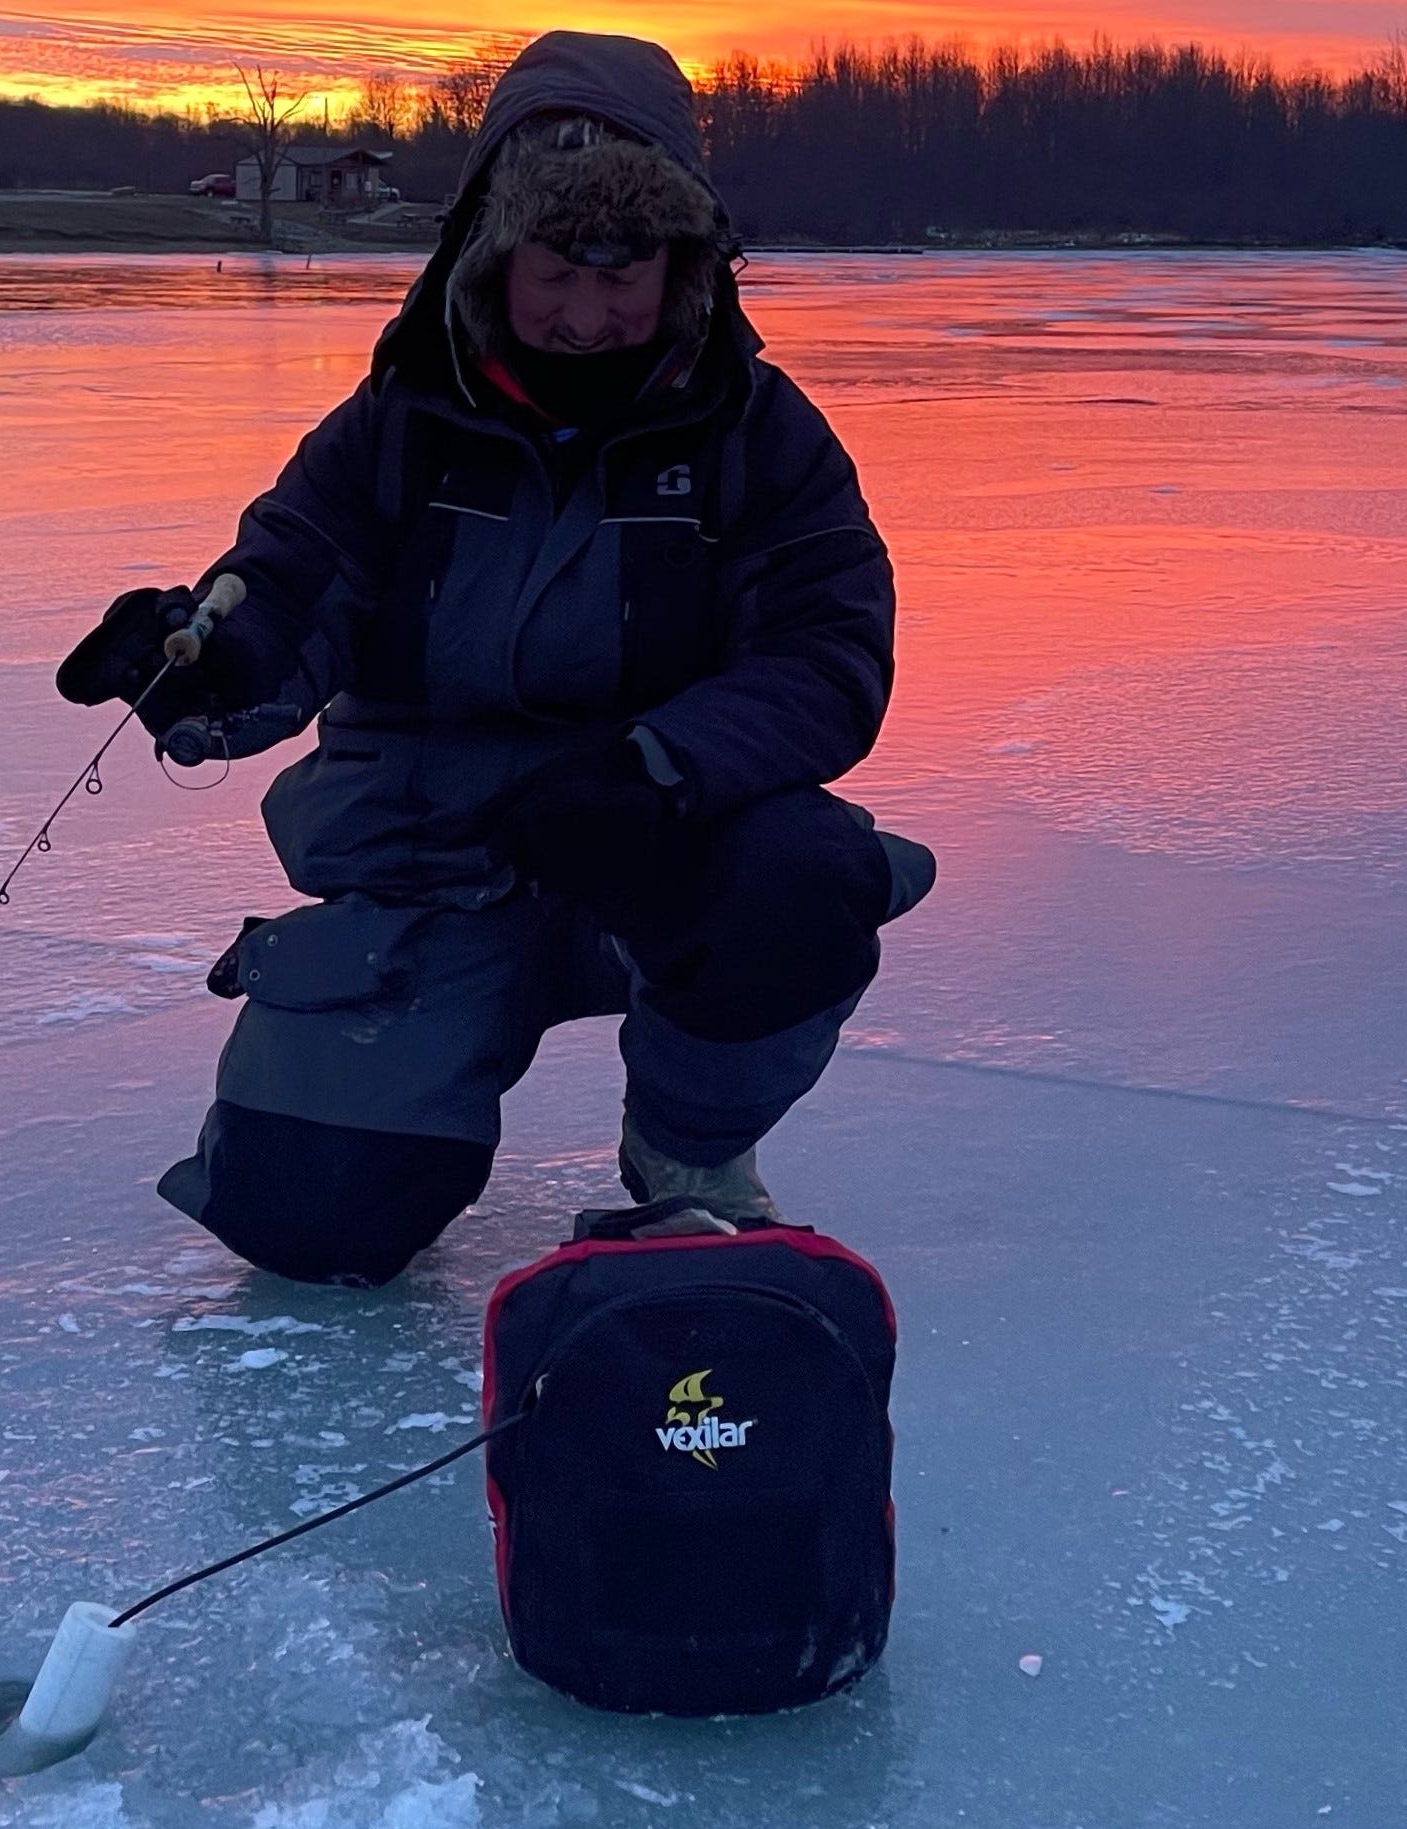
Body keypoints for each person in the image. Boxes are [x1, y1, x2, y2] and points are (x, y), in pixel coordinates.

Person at [58, 31, 933, 1286]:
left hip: (655, 843)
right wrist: (206, 663)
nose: (587, 315)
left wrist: (658, 770)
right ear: (490, 254)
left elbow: (828, 654)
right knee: (305, 1221)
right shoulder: (397, 426)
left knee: (798, 880)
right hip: (431, 857)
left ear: (682, 258)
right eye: (554, 270)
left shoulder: (763, 436)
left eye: (624, 268)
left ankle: (687, 1150)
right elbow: (297, 578)